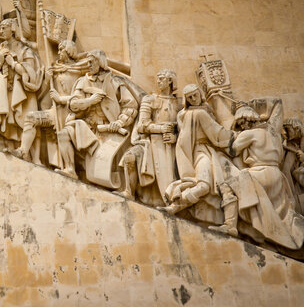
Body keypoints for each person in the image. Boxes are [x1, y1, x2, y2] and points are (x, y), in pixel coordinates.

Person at [213, 103, 304, 249]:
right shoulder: (274, 134)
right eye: (240, 124)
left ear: (250, 120)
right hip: (277, 176)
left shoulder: (249, 134)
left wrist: (234, 135)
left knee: (227, 184)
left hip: (260, 172)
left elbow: (232, 150)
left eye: (243, 122)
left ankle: (230, 225)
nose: (242, 126)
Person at [159, 84, 236, 226]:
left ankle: (176, 205)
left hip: (204, 152)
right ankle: (175, 205)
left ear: (200, 94)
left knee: (214, 186)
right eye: (189, 97)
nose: (193, 99)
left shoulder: (202, 111)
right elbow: (217, 134)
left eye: (195, 95)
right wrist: (234, 136)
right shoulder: (193, 113)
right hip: (201, 151)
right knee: (204, 185)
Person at [57, 50, 138, 178]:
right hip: (87, 127)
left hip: (107, 129)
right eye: (87, 62)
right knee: (64, 133)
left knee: (104, 172)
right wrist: (90, 101)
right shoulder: (82, 81)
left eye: (91, 62)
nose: (88, 65)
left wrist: (119, 122)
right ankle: (70, 168)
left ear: (100, 62)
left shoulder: (115, 82)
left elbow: (130, 106)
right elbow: (73, 104)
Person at [12, 39, 89, 165]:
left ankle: (70, 168)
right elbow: (42, 95)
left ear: (69, 51)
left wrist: (60, 99)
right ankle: (23, 151)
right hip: (55, 112)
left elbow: (80, 99)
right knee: (31, 118)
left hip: (71, 114)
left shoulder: (79, 72)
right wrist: (47, 80)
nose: (58, 52)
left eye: (61, 50)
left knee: (64, 137)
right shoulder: (55, 70)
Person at [119, 69, 180, 205]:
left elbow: (186, 127)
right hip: (149, 143)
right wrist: (160, 128)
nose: (158, 81)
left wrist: (175, 136)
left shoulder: (180, 103)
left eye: (161, 78)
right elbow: (142, 125)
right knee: (130, 157)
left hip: (172, 144)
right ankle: (129, 192)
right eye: (157, 78)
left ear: (170, 81)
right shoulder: (150, 100)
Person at [0, 18, 44, 151]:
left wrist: (12, 63)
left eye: (5, 28)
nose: (1, 30)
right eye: (1, 27)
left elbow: (30, 73)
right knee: (6, 120)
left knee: (28, 121)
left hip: (23, 90)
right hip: (4, 88)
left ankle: (35, 157)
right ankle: (9, 147)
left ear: (13, 29)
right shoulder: (2, 49)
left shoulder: (24, 50)